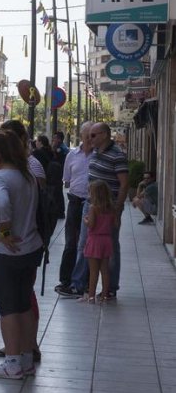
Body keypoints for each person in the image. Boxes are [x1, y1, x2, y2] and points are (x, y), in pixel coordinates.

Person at [0, 131, 43, 380]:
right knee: (24, 305)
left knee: (8, 309)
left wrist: (4, 231)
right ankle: (25, 359)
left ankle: (12, 363)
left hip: (4, 252)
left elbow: (2, 202)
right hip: (30, 247)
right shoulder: (27, 176)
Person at [60, 123, 128, 301]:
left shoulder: (117, 155)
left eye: (93, 135)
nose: (89, 139)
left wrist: (117, 210)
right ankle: (78, 285)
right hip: (89, 205)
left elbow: (124, 184)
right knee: (84, 244)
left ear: (104, 135)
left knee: (111, 248)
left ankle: (110, 288)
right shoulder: (96, 152)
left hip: (108, 209)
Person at [55, 122, 94, 294]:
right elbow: (67, 179)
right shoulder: (72, 155)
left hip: (91, 204)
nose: (90, 138)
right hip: (75, 202)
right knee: (71, 242)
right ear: (81, 136)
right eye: (87, 135)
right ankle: (66, 280)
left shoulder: (98, 156)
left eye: (92, 135)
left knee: (86, 243)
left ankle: (84, 282)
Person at [82, 180, 116, 304]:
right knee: (105, 270)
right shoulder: (111, 208)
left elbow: (91, 225)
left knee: (93, 271)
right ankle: (105, 296)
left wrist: (85, 220)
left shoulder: (93, 208)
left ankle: (91, 296)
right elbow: (114, 224)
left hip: (94, 240)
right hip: (106, 240)